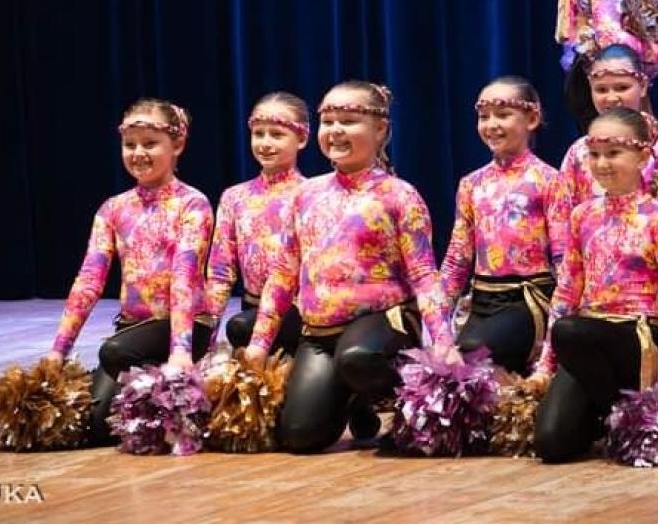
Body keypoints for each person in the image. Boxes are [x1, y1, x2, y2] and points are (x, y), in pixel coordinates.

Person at [244, 82, 452, 454]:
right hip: (320, 332)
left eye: (349, 121)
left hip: (384, 322)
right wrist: (259, 343)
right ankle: (355, 398)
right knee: (299, 437)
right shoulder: (305, 195)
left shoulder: (400, 195)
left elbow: (424, 274)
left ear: (381, 130)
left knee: (360, 358)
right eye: (328, 121)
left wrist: (444, 343)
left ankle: (399, 407)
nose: (336, 131)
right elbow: (283, 273)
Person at [43, 99, 214, 443]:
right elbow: (89, 280)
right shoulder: (113, 209)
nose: (138, 153)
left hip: (182, 327)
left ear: (177, 145)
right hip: (132, 331)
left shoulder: (193, 205)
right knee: (91, 427)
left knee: (114, 352)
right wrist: (59, 348)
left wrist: (180, 351)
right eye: (130, 144)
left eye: (150, 144)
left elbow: (184, 276)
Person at [533, 109, 658, 463]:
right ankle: (609, 413)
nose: (602, 163)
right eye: (594, 154)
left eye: (613, 153)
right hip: (586, 339)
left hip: (636, 335)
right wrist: (545, 365)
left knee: (571, 329)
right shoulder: (582, 215)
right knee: (551, 444)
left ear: (643, 157)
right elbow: (567, 291)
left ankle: (625, 411)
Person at [440, 77, 567, 373]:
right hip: (483, 298)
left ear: (532, 118)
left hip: (526, 297)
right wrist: (437, 318)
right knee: (454, 365)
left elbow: (564, 259)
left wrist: (559, 324)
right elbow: (458, 257)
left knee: (475, 357)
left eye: (503, 114)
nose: (491, 124)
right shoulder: (471, 184)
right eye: (484, 117)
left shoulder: (549, 181)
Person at [204, 92, 311, 356]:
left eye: (277, 134)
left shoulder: (312, 194)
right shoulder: (234, 197)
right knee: (240, 329)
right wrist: (205, 334)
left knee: (241, 328)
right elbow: (220, 272)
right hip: (251, 309)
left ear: (302, 138)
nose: (265, 143)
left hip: (299, 311)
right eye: (258, 133)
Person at [555, 45, 658, 210]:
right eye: (601, 89)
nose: (611, 98)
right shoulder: (579, 152)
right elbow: (562, 215)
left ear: (643, 86)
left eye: (622, 88)